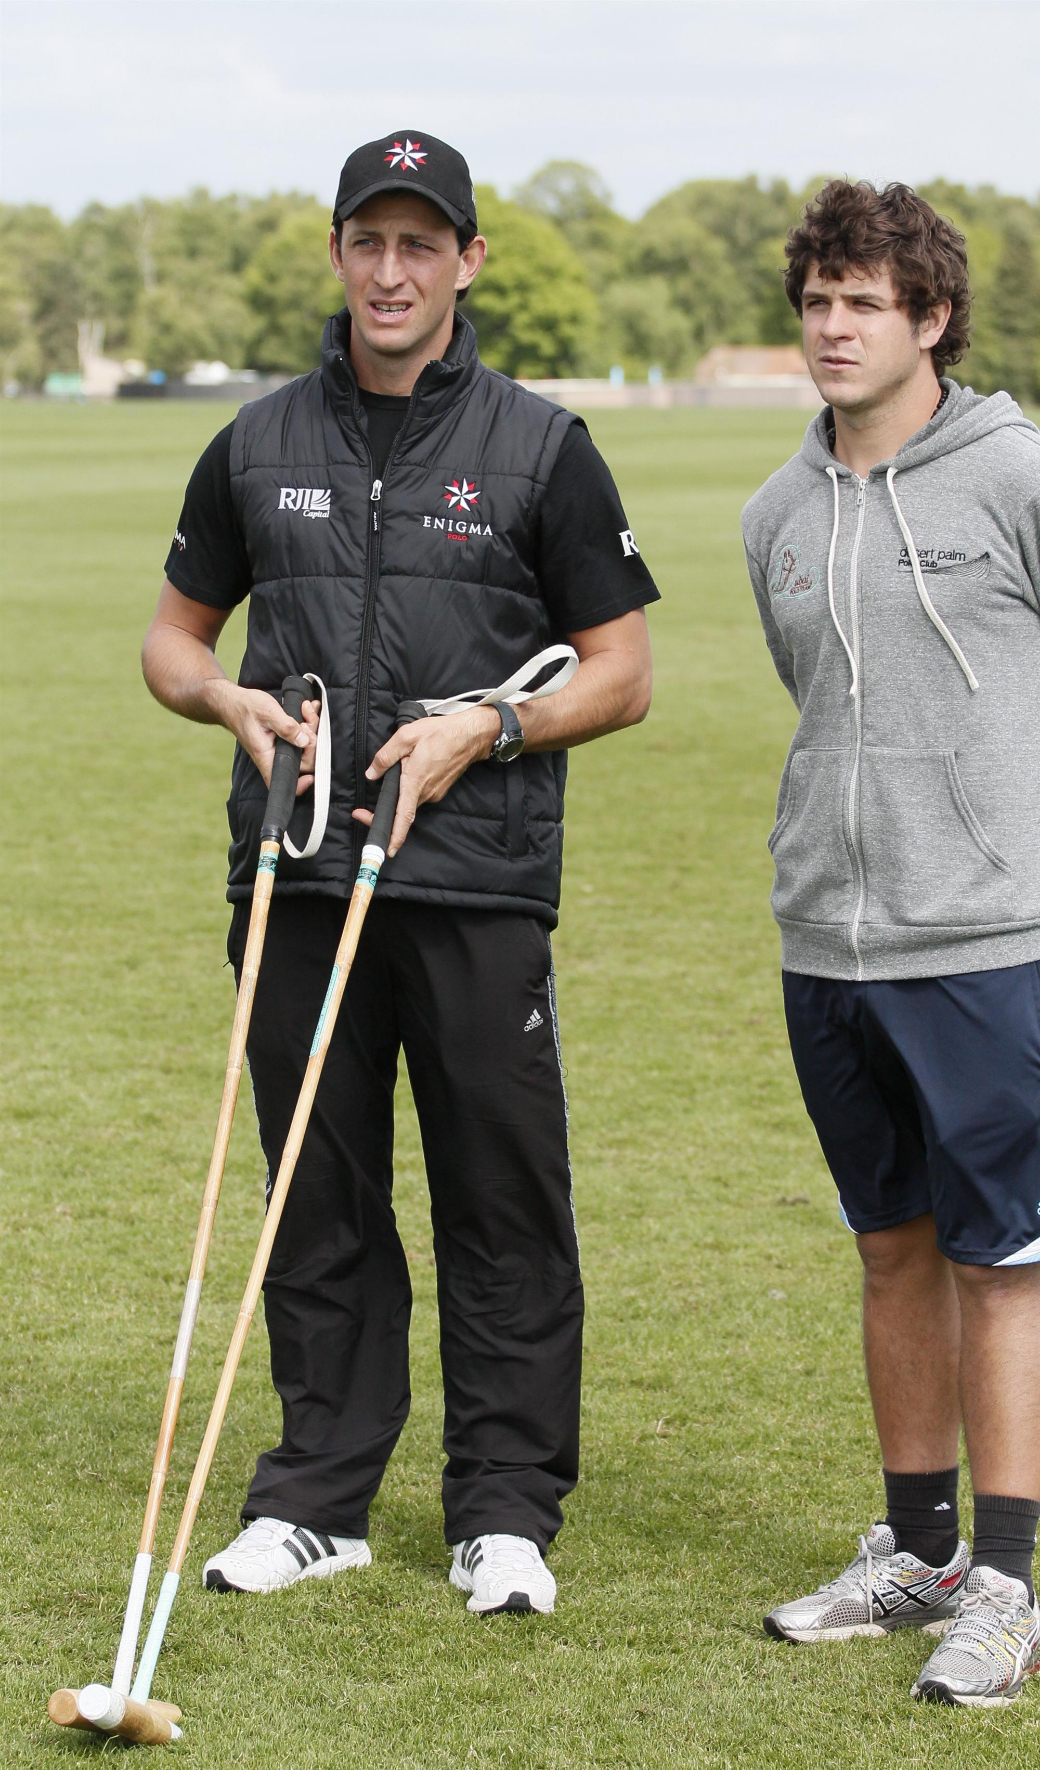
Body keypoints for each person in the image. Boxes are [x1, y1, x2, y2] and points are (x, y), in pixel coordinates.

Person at [142, 130, 657, 1616]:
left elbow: (622, 673)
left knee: (502, 1201)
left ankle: (504, 1509)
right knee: (318, 1194)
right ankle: (318, 1495)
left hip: (477, 881)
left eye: (421, 243)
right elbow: (174, 636)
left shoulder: (543, 445)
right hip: (296, 878)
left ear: (466, 263)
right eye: (369, 239)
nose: (392, 269)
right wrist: (221, 700)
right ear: (337, 253)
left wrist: (491, 725)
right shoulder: (253, 443)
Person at [741, 179, 1040, 1705]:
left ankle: (1006, 1579)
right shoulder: (773, 513)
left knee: (1005, 1262)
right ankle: (918, 1549)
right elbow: (821, 701)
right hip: (830, 942)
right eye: (817, 300)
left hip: (993, 938)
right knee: (890, 1246)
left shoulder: (1016, 476)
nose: (834, 326)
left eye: (866, 301)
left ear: (931, 318)